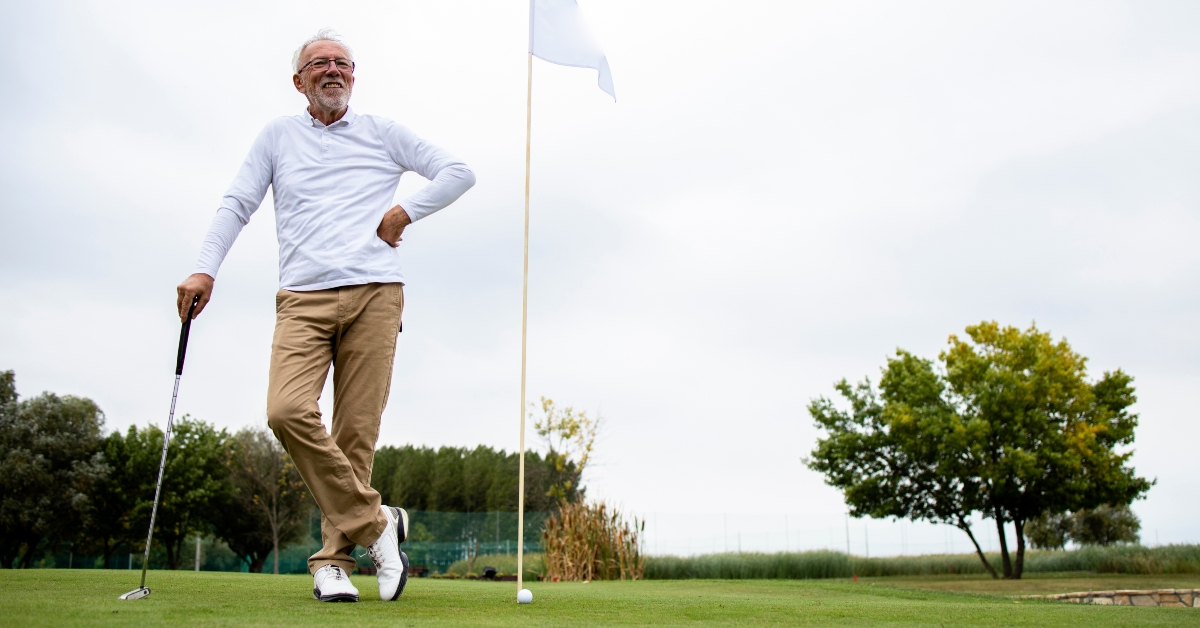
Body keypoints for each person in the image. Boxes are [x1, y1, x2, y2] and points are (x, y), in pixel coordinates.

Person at [175, 28, 475, 602]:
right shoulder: (276, 137)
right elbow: (237, 203)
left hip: (376, 294)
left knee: (354, 435)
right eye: (319, 64)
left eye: (342, 63)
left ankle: (330, 564)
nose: (332, 70)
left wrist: (404, 212)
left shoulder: (382, 132)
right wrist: (204, 269)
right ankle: (378, 524)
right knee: (287, 411)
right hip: (303, 299)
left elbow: (458, 171)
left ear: (354, 76)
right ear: (299, 81)